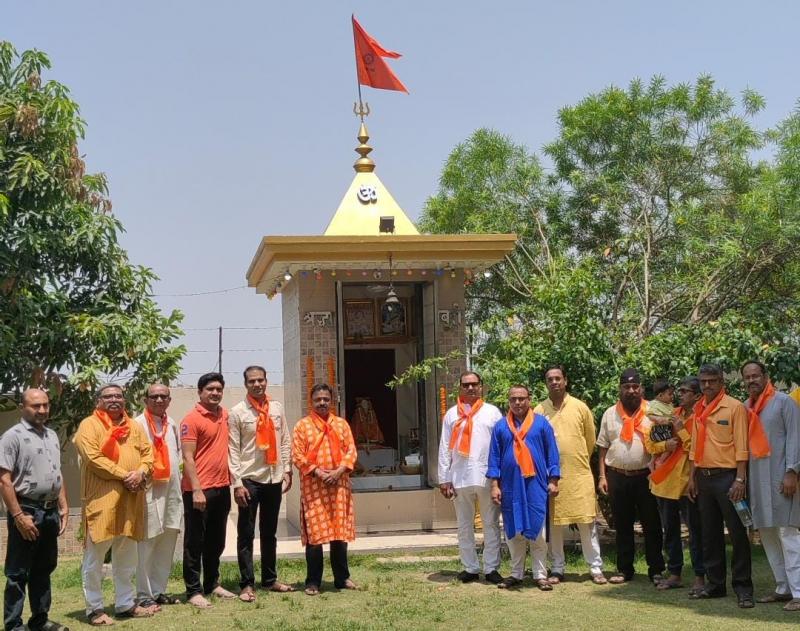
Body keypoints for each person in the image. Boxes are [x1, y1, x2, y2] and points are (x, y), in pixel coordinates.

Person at [73, 384, 155, 625]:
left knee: (127, 556)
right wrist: (125, 475)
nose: (114, 400)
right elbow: (93, 458)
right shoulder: (89, 425)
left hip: (130, 500)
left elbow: (148, 454)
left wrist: (140, 472)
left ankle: (125, 603)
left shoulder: (134, 426)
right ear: (98, 400)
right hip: (102, 501)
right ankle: (95, 609)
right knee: (95, 557)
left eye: (118, 396)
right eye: (108, 396)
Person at [0, 389, 69, 631]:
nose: (41, 410)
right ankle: (14, 625)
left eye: (45, 405)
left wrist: (63, 505)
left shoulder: (51, 435)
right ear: (23, 408)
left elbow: (56, 472)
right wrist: (18, 516)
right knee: (18, 572)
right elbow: (4, 480)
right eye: (35, 406)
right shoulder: (12, 437)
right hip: (27, 509)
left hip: (50, 512)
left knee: (44, 568)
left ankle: (39, 620)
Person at [687, 363, 753, 607]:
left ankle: (743, 588)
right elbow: (694, 448)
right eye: (703, 381)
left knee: (737, 533)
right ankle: (715, 585)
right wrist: (692, 477)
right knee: (710, 534)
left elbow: (742, 446)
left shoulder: (734, 407)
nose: (707, 385)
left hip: (728, 477)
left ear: (721, 382)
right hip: (704, 477)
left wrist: (740, 479)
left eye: (711, 381)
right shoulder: (698, 408)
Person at [534, 365, 606, 584]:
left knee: (587, 522)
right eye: (550, 379)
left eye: (558, 378)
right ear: (546, 383)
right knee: (555, 524)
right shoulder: (539, 410)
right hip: (551, 477)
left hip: (579, 473)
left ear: (565, 380)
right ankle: (557, 568)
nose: (554, 382)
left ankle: (595, 568)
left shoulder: (580, 407)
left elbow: (590, 440)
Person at [228, 366, 294, 602]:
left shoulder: (275, 408)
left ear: (267, 381)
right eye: (252, 381)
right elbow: (233, 450)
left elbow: (285, 439)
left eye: (261, 380)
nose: (257, 384)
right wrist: (237, 483)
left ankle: (269, 579)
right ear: (245, 384)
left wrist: (287, 469)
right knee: (245, 534)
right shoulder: (237, 412)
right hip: (249, 480)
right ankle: (246, 584)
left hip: (273, 478)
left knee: (269, 532)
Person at [596, 368, 665, 584]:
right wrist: (602, 476)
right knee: (622, 525)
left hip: (646, 476)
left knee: (651, 524)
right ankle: (624, 569)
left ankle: (656, 569)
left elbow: (664, 444)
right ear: (620, 389)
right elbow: (603, 447)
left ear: (642, 388)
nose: (631, 391)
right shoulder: (610, 413)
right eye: (627, 387)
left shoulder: (654, 412)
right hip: (617, 476)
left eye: (635, 387)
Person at [741, 361, 800, 611]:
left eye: (756, 375)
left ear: (766, 376)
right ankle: (782, 588)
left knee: (788, 533)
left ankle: (798, 591)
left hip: (781, 477)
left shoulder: (784, 402)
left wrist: (792, 471)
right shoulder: (745, 407)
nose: (752, 380)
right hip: (756, 479)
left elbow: (796, 436)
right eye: (747, 377)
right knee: (766, 533)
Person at [488, 385, 560, 590]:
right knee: (513, 531)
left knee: (538, 530)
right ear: (508, 402)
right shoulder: (501, 427)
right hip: (510, 486)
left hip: (535, 484)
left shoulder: (541, 424)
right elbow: (494, 458)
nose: (517, 403)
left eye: (521, 398)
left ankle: (540, 574)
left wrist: (553, 480)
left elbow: (552, 454)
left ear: (529, 400)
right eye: (513, 399)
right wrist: (494, 485)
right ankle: (516, 573)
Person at [437, 371, 503, 584]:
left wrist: (499, 478)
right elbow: (445, 449)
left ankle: (491, 568)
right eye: (466, 385)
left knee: (490, 524)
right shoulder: (451, 414)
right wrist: (444, 478)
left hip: (487, 476)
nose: (471, 388)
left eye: (474, 384)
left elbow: (501, 446)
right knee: (464, 525)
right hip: (459, 477)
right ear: (460, 388)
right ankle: (470, 567)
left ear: (481, 387)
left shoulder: (492, 413)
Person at [292, 384, 358, 596]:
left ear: (332, 401)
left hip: (339, 487)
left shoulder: (341, 425)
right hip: (314, 489)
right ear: (311, 401)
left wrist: (338, 472)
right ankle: (313, 581)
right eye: (318, 399)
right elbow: (297, 456)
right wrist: (319, 473)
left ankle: (342, 578)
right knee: (315, 537)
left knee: (339, 534)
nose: (322, 403)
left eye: (326, 399)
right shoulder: (302, 426)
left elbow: (351, 452)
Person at [647, 377, 705, 593]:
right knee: (670, 530)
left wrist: (680, 431)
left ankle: (700, 575)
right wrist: (665, 444)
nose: (679, 394)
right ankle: (675, 574)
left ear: (697, 395)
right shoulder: (673, 414)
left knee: (695, 531)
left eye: (685, 391)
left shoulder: (701, 415)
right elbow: (651, 442)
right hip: (666, 480)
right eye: (678, 391)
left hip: (688, 481)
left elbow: (697, 447)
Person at [180, 372, 234, 608]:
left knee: (216, 540)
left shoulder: (225, 415)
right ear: (200, 392)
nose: (215, 393)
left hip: (222, 488)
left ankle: (212, 583)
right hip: (198, 491)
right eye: (210, 389)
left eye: (218, 389)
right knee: (194, 542)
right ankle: (193, 590)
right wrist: (197, 490)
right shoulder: (191, 419)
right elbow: (188, 457)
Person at [133, 384, 182, 609]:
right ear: (146, 400)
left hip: (171, 489)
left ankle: (159, 589)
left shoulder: (171, 424)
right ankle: (144, 594)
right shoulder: (136, 424)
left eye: (164, 396)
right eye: (154, 396)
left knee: (168, 538)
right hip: (149, 490)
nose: (159, 400)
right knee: (148, 541)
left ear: (169, 400)